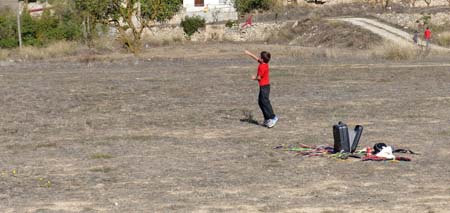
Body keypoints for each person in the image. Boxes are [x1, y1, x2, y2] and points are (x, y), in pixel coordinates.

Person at [244, 50, 278, 128]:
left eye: (260, 57)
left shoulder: (261, 67)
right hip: (265, 86)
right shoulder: (264, 63)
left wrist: (254, 78)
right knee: (260, 102)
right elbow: (256, 58)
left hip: (264, 87)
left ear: (262, 59)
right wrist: (249, 53)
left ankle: (273, 117)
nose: (259, 57)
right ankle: (267, 119)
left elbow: (259, 77)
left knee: (265, 102)